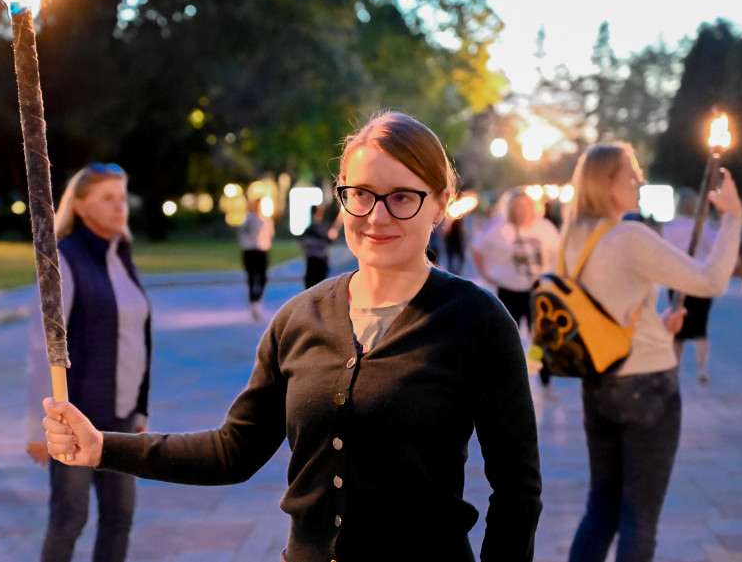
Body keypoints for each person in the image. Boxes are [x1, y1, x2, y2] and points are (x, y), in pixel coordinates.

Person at [43, 112, 542, 561]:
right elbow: (231, 451)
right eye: (361, 194)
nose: (377, 216)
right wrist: (102, 447)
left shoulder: (476, 321)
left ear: (440, 205)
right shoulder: (300, 319)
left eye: (403, 198)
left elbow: (517, 489)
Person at [562, 143, 742, 562]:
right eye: (631, 175)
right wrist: (732, 215)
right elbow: (711, 280)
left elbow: (603, 311)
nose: (639, 181)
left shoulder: (574, 237)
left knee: (600, 509)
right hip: (648, 388)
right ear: (608, 184)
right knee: (640, 519)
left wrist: (655, 326)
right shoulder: (629, 236)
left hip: (599, 385)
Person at [25, 162, 152, 562]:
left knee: (120, 517)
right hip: (74, 420)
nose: (120, 208)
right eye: (107, 199)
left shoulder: (121, 256)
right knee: (70, 519)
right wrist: (38, 426)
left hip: (123, 418)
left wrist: (140, 406)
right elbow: (42, 347)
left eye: (122, 198)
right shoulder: (64, 261)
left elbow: (137, 336)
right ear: (79, 206)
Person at [472, 189, 561, 397]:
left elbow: (559, 253)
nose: (522, 210)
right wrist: (485, 274)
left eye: (527, 206)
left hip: (538, 292)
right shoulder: (499, 228)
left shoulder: (545, 228)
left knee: (540, 339)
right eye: (518, 206)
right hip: (509, 290)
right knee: (506, 339)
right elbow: (477, 248)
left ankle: (545, 381)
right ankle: (504, 383)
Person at [662, 188, 717, 384]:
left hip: (677, 281)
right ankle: (702, 369)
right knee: (700, 327)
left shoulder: (670, 228)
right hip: (700, 281)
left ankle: (675, 368)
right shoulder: (703, 227)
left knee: (677, 328)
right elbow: (714, 250)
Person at [237, 196, 275, 320]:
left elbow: (269, 234)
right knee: (252, 277)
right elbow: (243, 234)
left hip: (261, 250)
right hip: (250, 250)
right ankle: (253, 302)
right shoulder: (248, 220)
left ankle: (257, 301)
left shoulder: (266, 220)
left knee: (263, 277)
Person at [299, 203, 337, 289]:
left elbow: (329, 241)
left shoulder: (323, 227)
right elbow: (305, 243)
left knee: (321, 288)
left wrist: (332, 236)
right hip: (314, 261)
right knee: (311, 287)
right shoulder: (311, 229)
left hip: (321, 261)